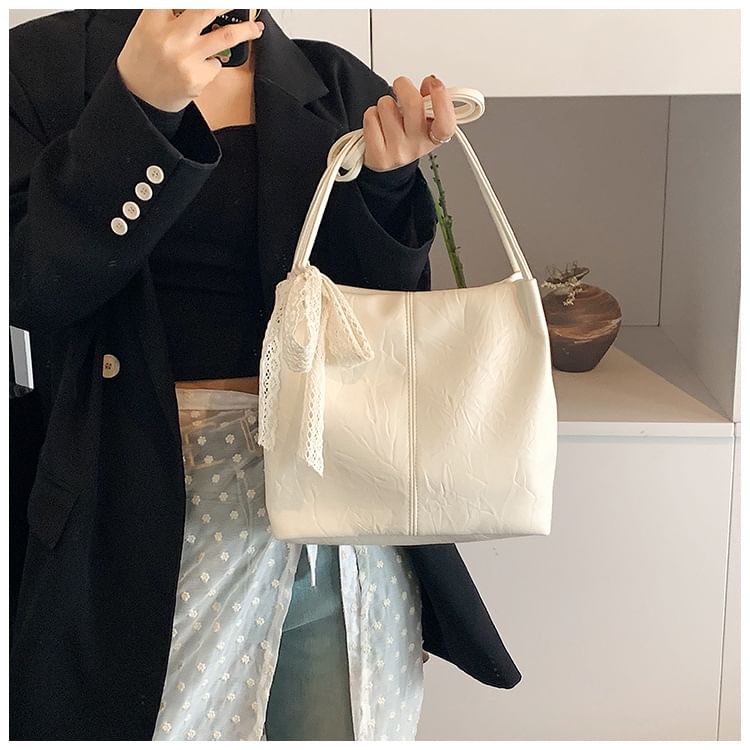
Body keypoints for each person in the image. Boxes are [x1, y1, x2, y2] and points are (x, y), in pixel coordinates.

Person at [9, 8, 523, 742]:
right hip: (130, 522)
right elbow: (30, 287)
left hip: (344, 524)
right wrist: (138, 112)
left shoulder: (334, 80)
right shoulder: (41, 67)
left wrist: (385, 188)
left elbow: (382, 331)